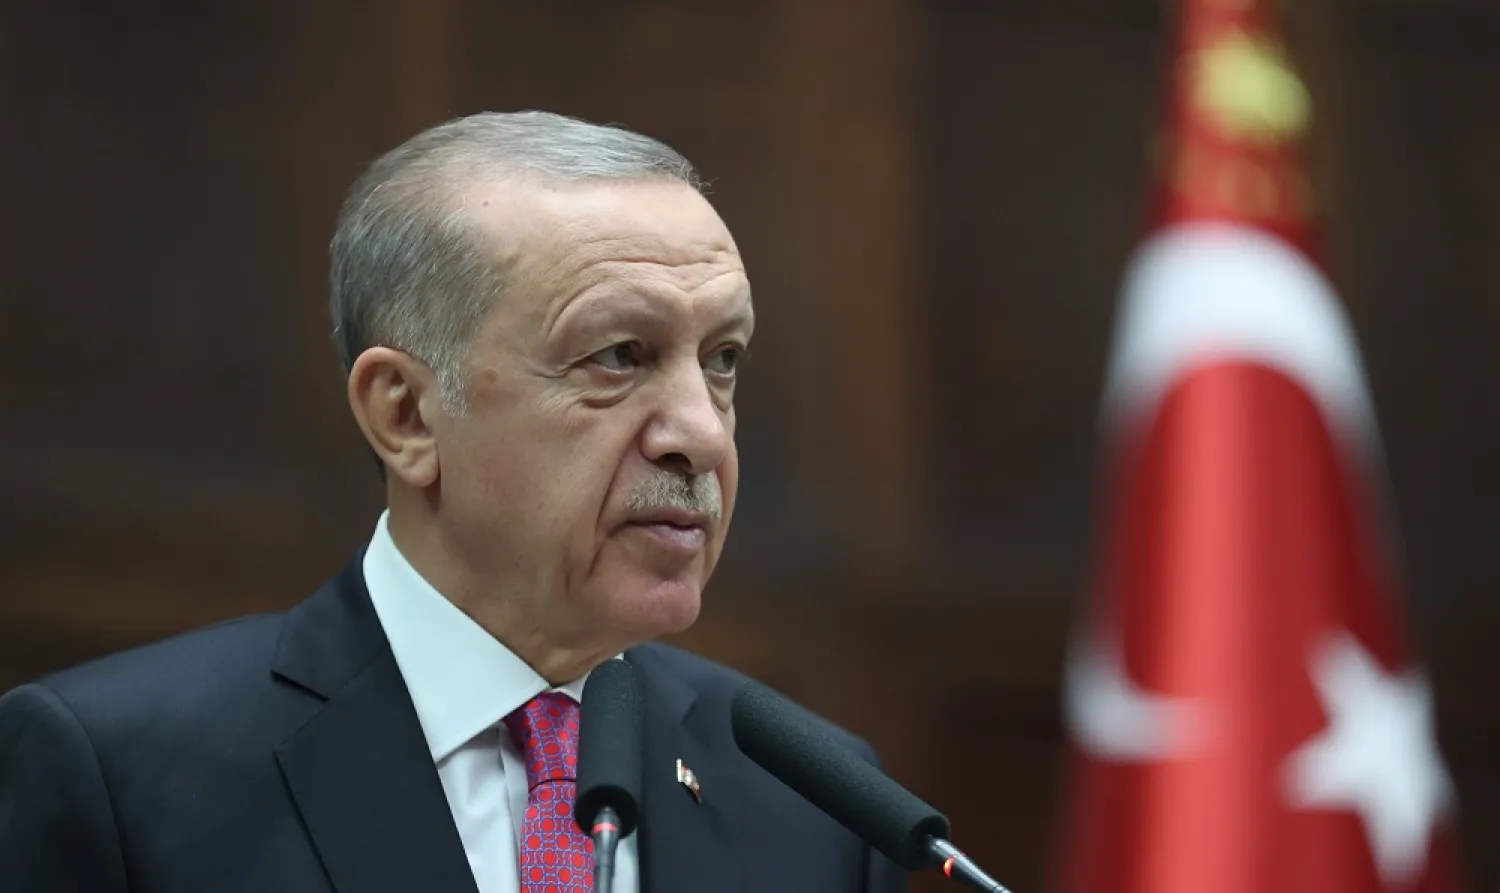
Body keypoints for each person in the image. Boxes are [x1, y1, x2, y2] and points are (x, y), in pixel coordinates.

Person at [0, 111, 906, 893]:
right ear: (406, 415)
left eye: (723, 360)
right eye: (619, 355)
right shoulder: (119, 777)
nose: (702, 435)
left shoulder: (811, 803)